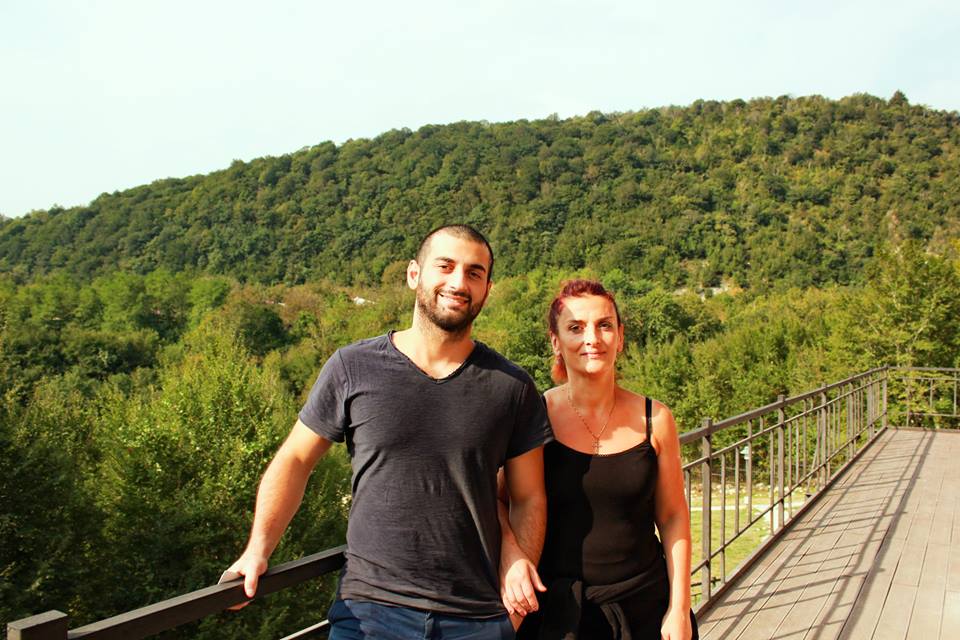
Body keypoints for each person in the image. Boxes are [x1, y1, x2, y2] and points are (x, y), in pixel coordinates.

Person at [225, 224, 552, 639]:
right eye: (445, 266)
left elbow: (528, 497)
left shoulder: (512, 387)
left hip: (478, 617)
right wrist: (258, 550)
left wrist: (516, 591)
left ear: (487, 289)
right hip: (370, 614)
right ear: (414, 274)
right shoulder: (353, 367)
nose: (458, 282)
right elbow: (295, 459)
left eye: (474, 273)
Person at [500, 279, 698, 640]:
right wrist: (512, 556)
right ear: (555, 341)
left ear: (619, 337)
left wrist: (679, 608)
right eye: (576, 328)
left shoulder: (656, 419)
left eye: (604, 325)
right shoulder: (534, 417)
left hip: (645, 608)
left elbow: (672, 516)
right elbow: (496, 499)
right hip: (558, 617)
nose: (592, 338)